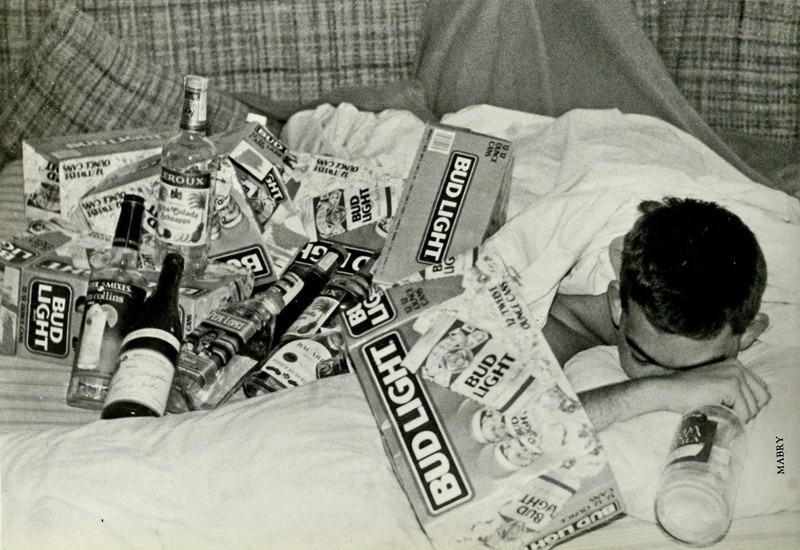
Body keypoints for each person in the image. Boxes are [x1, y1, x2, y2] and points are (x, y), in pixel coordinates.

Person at [542, 197, 771, 431]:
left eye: (696, 371)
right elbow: (521, 432)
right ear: (617, 303)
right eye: (642, 359)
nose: (682, 381)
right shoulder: (547, 333)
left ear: (748, 333)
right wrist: (660, 392)